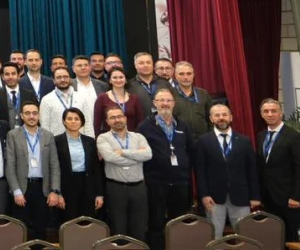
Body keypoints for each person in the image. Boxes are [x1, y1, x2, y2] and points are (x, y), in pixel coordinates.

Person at [137, 88, 194, 249]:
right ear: (154, 103)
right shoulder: (144, 126)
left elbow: (190, 151)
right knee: (155, 221)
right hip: (155, 182)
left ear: (174, 103)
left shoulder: (183, 126)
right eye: (161, 100)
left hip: (180, 181)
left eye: (168, 100)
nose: (165, 103)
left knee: (179, 221)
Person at [195, 104, 260, 239]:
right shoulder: (203, 141)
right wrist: (204, 195)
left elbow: (252, 170)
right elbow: (200, 170)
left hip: (241, 196)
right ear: (211, 119)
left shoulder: (244, 141)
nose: (221, 118)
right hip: (213, 198)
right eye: (217, 115)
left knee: (244, 236)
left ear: (231, 117)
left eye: (224, 114)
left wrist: (255, 196)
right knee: (214, 237)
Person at [256, 98, 300, 239]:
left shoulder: (295, 137)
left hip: (289, 198)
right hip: (269, 198)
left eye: (274, 111)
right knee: (276, 236)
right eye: (266, 111)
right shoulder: (261, 136)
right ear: (261, 114)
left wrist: (295, 196)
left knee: (295, 236)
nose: (270, 114)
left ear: (281, 113)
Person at [5, 100, 59, 238]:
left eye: (35, 113)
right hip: (22, 189)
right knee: (20, 230)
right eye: (27, 113)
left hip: (43, 189)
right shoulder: (13, 135)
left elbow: (54, 165)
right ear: (22, 116)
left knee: (41, 229)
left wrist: (54, 191)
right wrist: (16, 191)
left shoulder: (48, 135)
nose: (31, 116)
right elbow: (10, 165)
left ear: (39, 115)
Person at [97, 106, 152, 242]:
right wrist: (136, 157)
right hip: (116, 188)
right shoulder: (103, 138)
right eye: (113, 117)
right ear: (107, 121)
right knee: (118, 228)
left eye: (119, 116)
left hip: (138, 188)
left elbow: (148, 155)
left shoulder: (138, 137)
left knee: (139, 228)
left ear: (125, 118)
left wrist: (123, 152)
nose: (117, 120)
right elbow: (110, 157)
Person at [54, 107, 102, 221]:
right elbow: (54, 169)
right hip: (66, 186)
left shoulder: (90, 141)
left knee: (87, 221)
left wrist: (99, 194)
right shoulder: (56, 141)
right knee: (69, 221)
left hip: (87, 185)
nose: (73, 121)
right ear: (64, 121)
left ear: (82, 122)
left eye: (76, 119)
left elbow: (96, 169)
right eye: (69, 119)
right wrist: (58, 193)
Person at [40, 67, 96, 136]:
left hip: (80, 140)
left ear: (70, 79)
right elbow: (44, 126)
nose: (63, 80)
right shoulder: (46, 100)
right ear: (54, 80)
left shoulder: (81, 97)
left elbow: (88, 123)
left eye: (65, 77)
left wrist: (90, 140)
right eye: (59, 77)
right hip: (56, 141)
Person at [93, 69, 142, 136]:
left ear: (126, 80)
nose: (118, 80)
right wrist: (97, 138)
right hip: (109, 138)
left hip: (131, 137)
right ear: (110, 80)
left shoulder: (134, 99)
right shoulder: (102, 98)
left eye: (121, 77)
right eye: (115, 77)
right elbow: (97, 123)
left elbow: (139, 122)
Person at [170, 62, 211, 137]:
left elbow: (210, 117)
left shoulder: (203, 93)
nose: (186, 77)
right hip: (179, 138)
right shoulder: (169, 94)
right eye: (181, 74)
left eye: (189, 74)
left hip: (202, 138)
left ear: (193, 75)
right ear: (175, 76)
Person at [127, 53, 169, 117]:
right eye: (141, 63)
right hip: (140, 122)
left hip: (164, 120)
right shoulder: (129, 86)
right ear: (135, 66)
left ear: (152, 65)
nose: (145, 65)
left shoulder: (164, 83)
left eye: (148, 62)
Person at [0, 64, 36, 130]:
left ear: (18, 76)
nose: (10, 77)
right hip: (5, 133)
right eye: (7, 74)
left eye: (13, 74)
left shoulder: (29, 94)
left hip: (26, 132)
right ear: (2, 76)